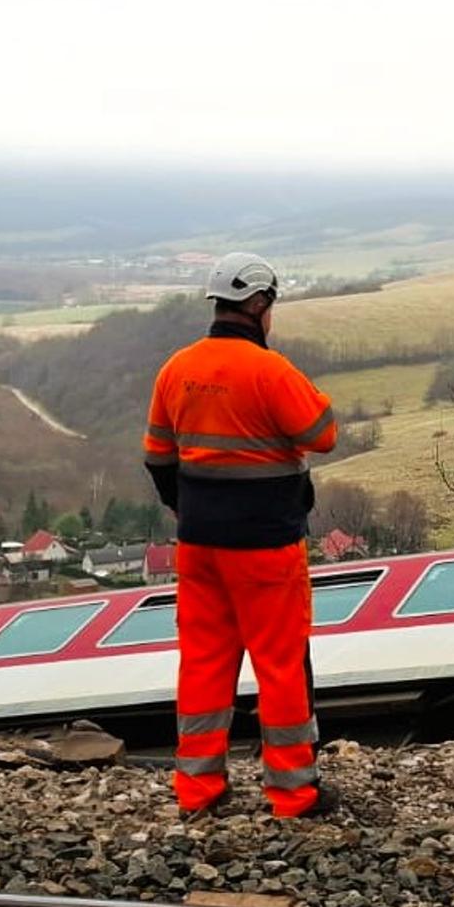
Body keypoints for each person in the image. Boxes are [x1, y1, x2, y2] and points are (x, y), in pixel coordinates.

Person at [144, 253, 341, 818]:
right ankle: (293, 793)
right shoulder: (269, 371)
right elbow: (321, 434)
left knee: (204, 663)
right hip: (265, 548)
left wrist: (192, 511)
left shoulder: (176, 368)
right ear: (259, 305)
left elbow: (157, 458)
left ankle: (198, 793)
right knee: (280, 666)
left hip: (200, 546)